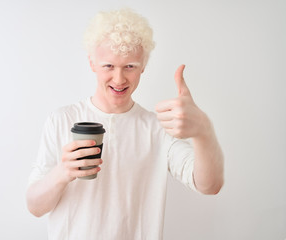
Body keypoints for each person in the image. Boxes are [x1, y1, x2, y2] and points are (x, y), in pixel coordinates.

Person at [26, 8, 224, 239]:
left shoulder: (157, 129)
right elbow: (35, 206)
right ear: (92, 63)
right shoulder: (61, 120)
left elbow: (209, 185)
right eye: (108, 66)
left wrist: (203, 131)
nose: (119, 79)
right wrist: (62, 172)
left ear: (143, 66)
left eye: (129, 66)